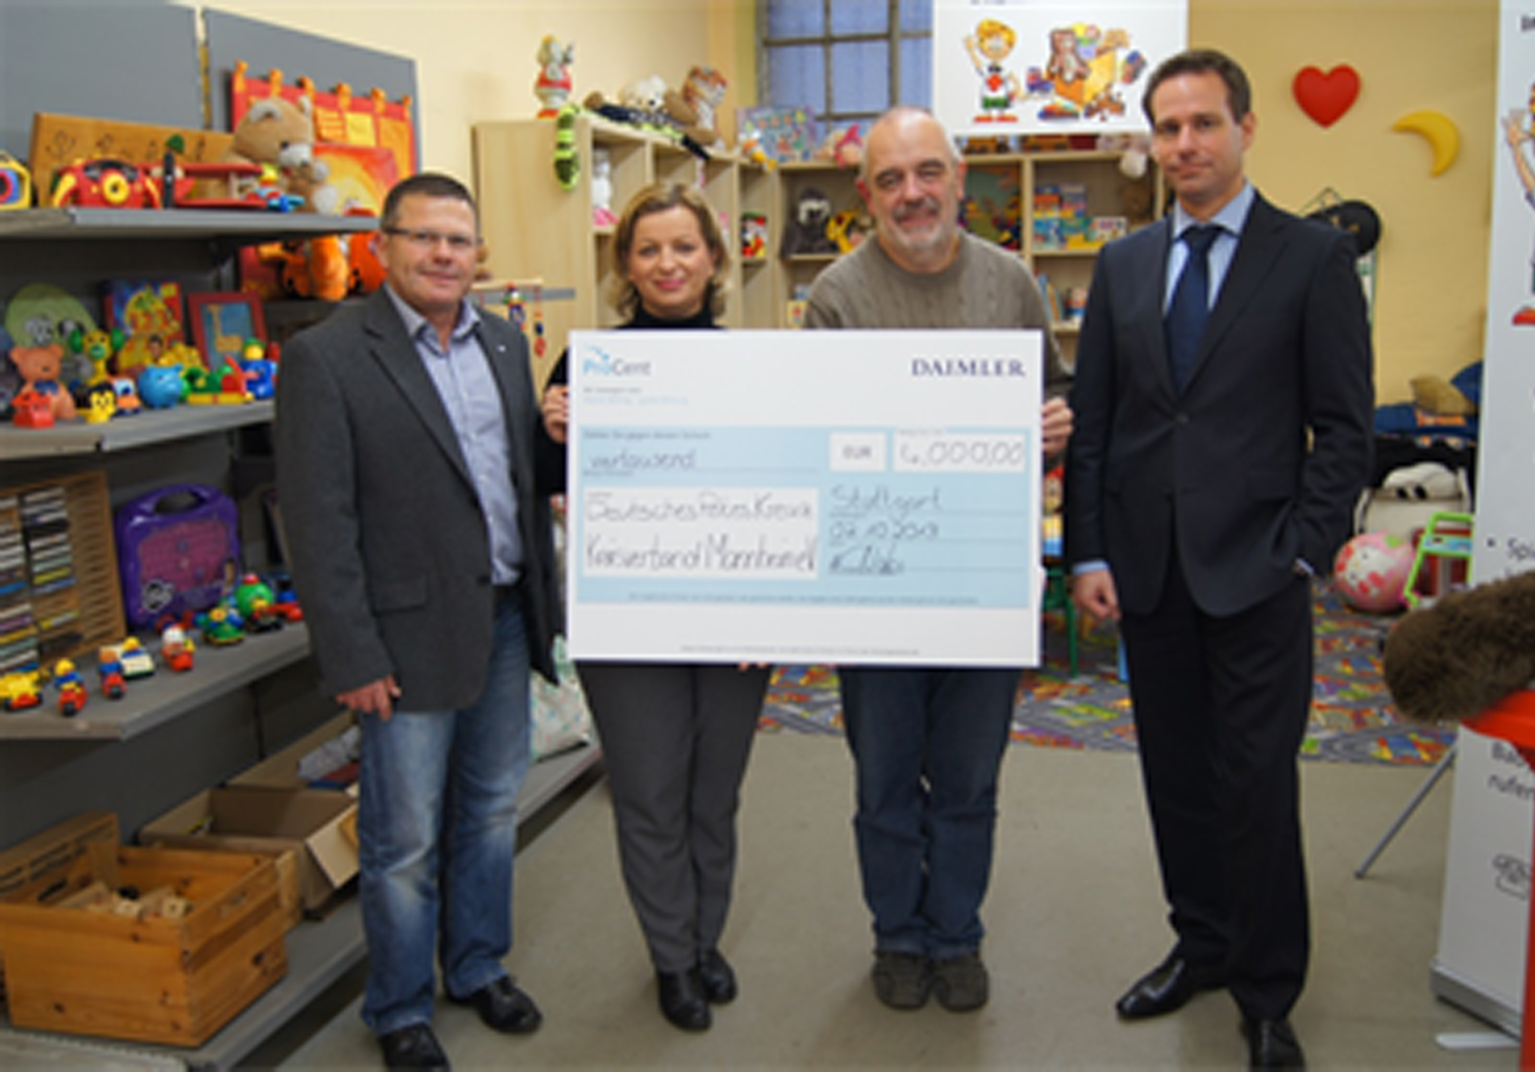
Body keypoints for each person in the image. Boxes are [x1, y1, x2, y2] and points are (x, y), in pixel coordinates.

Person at [1064, 49, 1373, 1071]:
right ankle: (1199, 945)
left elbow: (1343, 426)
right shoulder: (1123, 265)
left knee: (1256, 786)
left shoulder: (1312, 259)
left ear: (1245, 128)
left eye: (1202, 123)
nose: (1184, 144)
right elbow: (1097, 424)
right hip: (1147, 573)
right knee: (1176, 781)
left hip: (1259, 574)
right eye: (1167, 127)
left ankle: (1267, 991)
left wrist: (1305, 552)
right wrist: (1088, 551)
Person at [276, 172, 562, 1071]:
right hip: (401, 639)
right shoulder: (326, 357)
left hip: (504, 616)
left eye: (459, 239)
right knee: (402, 840)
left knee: (490, 810)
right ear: (381, 246)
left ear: (478, 254)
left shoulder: (504, 343)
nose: (443, 254)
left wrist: (557, 435)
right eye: (423, 237)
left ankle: (477, 967)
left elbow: (517, 482)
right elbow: (317, 523)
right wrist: (352, 653)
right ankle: (398, 1006)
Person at [803, 105, 1072, 1014]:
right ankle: (897, 934)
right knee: (883, 780)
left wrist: (1055, 423)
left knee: (966, 779)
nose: (911, 194)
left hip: (981, 580)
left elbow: (1051, 393)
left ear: (958, 179)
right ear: (865, 194)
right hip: (875, 587)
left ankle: (955, 933)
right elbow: (814, 434)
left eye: (927, 173)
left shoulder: (1012, 285)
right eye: (890, 179)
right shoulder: (834, 297)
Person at [540, 181, 772, 1034]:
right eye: (648, 249)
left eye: (683, 247)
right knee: (647, 793)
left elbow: (787, 485)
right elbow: (547, 489)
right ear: (626, 266)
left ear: (713, 259)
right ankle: (672, 958)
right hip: (629, 620)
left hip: (735, 618)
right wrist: (552, 431)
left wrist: (777, 612)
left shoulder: (757, 368)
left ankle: (705, 940)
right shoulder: (588, 370)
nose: (667, 264)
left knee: (713, 794)